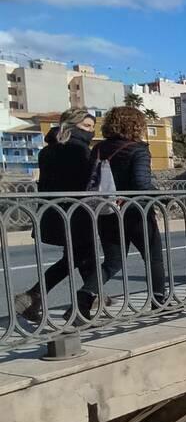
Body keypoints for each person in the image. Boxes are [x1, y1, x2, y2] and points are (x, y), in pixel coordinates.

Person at [76, 107, 166, 316]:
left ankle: (85, 295)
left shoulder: (99, 148)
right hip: (136, 213)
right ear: (136, 125)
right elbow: (142, 184)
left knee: (113, 262)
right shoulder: (138, 149)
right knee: (153, 258)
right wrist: (160, 195)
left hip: (107, 212)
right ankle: (159, 301)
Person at [12, 109, 99, 322]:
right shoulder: (78, 150)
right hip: (76, 214)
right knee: (79, 257)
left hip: (54, 213)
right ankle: (39, 297)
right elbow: (85, 183)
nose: (91, 131)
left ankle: (91, 298)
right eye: (87, 126)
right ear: (72, 125)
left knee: (79, 257)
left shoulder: (47, 150)